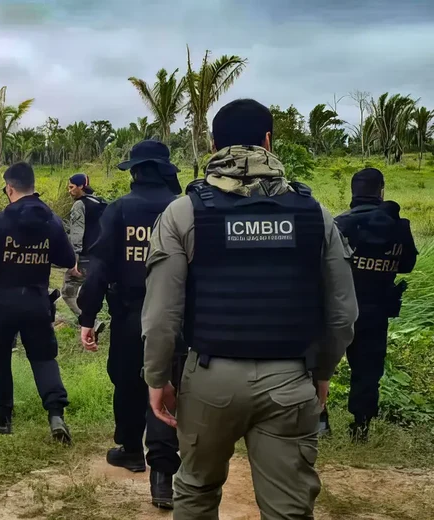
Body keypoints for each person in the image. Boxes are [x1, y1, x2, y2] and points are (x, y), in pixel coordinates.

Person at [142, 99, 358, 519]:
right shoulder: (314, 214)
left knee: (197, 491)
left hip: (209, 380)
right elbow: (342, 313)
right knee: (289, 508)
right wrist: (323, 372)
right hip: (290, 379)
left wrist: (156, 377)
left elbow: (162, 314)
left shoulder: (184, 212)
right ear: (268, 142)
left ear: (212, 144)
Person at [76, 140, 184, 509]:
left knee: (126, 380)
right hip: (176, 316)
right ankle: (163, 475)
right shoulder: (182, 208)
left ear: (135, 171)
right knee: (165, 384)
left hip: (128, 313)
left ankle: (131, 449)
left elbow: (99, 269)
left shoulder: (120, 209)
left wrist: (87, 316)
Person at [0, 162, 76, 443]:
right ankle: (56, 415)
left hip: (3, 302)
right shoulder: (52, 221)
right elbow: (67, 259)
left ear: (9, 188)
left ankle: (2, 421)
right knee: (44, 358)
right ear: (33, 186)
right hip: (37, 302)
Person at [323, 168, 417, 441]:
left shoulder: (339, 224)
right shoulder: (398, 227)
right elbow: (407, 265)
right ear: (381, 191)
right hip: (376, 311)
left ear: (353, 192)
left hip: (338, 309)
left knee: (322, 365)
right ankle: (361, 427)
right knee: (367, 371)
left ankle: (321, 422)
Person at [62, 173, 107, 338]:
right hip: (101, 257)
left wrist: (73, 259)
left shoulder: (79, 205)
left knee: (68, 292)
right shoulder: (100, 203)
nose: (69, 191)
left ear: (81, 186)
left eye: (71, 187)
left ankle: (91, 322)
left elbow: (77, 233)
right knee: (95, 291)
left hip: (84, 257)